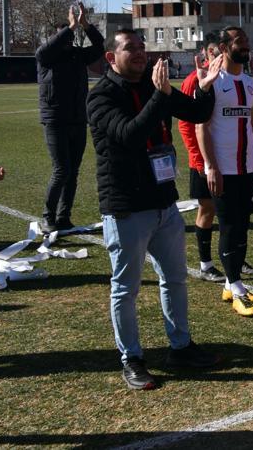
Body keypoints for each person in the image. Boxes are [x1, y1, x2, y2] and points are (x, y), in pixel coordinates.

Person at [87, 28, 223, 389]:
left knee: (175, 279)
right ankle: (131, 358)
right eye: (130, 48)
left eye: (142, 47)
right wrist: (159, 97)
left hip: (164, 203)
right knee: (126, 288)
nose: (139, 53)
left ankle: (180, 347)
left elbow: (195, 112)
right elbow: (128, 135)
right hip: (127, 208)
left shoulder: (154, 86)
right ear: (110, 58)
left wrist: (205, 87)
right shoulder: (101, 96)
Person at [198, 26, 253, 317]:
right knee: (228, 225)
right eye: (240, 41)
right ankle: (236, 286)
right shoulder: (213, 82)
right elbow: (201, 125)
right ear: (224, 47)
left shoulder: (249, 82)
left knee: (242, 226)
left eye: (247, 40)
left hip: (247, 168)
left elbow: (250, 123)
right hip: (223, 169)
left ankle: (231, 282)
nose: (246, 45)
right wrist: (210, 166)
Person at [35, 2, 104, 234]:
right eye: (63, 35)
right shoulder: (46, 58)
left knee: (72, 171)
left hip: (77, 119)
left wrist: (85, 25)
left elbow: (100, 46)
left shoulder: (77, 55)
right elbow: (45, 50)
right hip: (55, 119)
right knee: (61, 169)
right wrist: (72, 27)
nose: (67, 39)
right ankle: (48, 216)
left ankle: (63, 217)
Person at [179, 35, 225, 283]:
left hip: (227, 160)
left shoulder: (229, 80)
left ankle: (232, 257)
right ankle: (206, 263)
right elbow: (187, 125)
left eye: (221, 53)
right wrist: (200, 159)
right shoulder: (192, 81)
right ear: (206, 54)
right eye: (214, 53)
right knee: (207, 207)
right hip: (203, 161)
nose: (218, 57)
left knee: (231, 212)